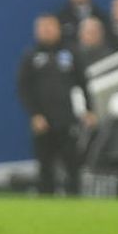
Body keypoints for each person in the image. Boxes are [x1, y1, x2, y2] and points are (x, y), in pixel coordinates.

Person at [17, 14, 96, 195]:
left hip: (67, 119)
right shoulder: (31, 56)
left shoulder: (70, 53)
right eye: (42, 27)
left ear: (58, 28)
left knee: (72, 164)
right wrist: (34, 114)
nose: (46, 31)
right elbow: (24, 89)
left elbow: (83, 83)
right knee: (45, 166)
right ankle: (46, 204)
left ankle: (75, 204)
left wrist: (89, 109)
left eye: (49, 27)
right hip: (43, 121)